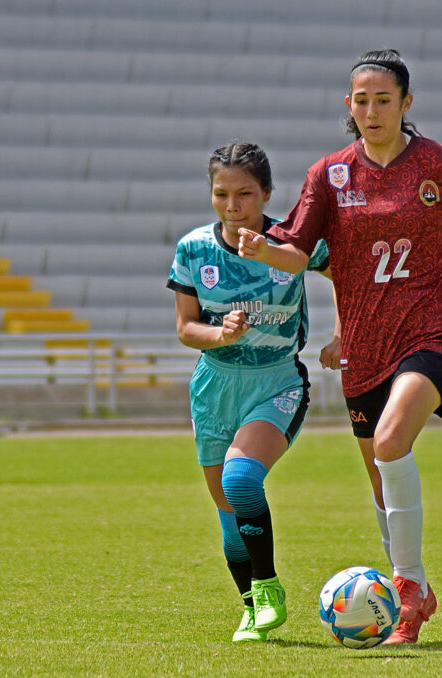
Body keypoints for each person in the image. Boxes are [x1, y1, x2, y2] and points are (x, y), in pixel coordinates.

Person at [238, 49, 442, 645]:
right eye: (361, 101)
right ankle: (408, 609)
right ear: (348, 106)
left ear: (406, 105)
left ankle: (407, 581)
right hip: (366, 345)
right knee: (377, 476)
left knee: (391, 442)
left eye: (383, 100)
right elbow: (295, 251)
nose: (371, 110)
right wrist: (263, 250)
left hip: (433, 332)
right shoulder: (329, 175)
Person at [166, 142, 331, 643]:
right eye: (221, 194)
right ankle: (250, 609)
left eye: (244, 194)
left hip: (276, 381)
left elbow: (341, 270)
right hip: (214, 385)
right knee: (228, 513)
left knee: (241, 481)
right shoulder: (194, 249)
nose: (233, 206)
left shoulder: (291, 242)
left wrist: (344, 333)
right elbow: (185, 327)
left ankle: (268, 588)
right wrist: (222, 334)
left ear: (266, 194)